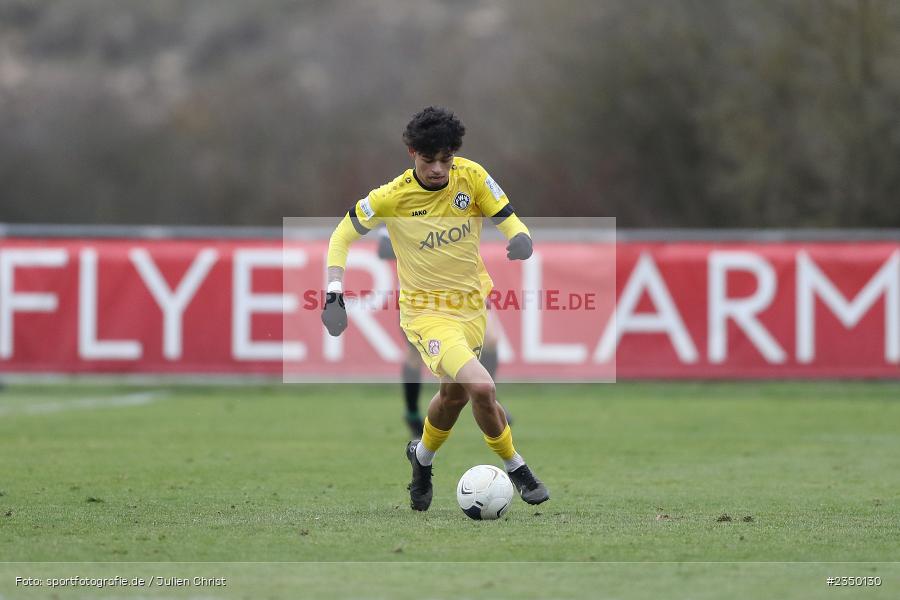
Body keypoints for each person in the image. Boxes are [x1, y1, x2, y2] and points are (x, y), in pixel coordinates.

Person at [322, 106, 549, 510]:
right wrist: (334, 292)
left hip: (472, 310)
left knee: (453, 398)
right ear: (412, 153)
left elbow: (509, 218)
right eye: (429, 160)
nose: (439, 169)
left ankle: (422, 458)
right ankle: (518, 468)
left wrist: (521, 238)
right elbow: (341, 235)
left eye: (446, 159)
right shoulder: (392, 196)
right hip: (426, 315)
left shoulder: (472, 176)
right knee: (482, 387)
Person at [376, 226, 506, 437]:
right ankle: (412, 413)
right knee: (414, 356)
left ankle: (488, 399)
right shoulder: (403, 208)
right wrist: (422, 243)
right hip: (422, 295)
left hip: (465, 287)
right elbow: (382, 248)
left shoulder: (459, 206)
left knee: (491, 339)